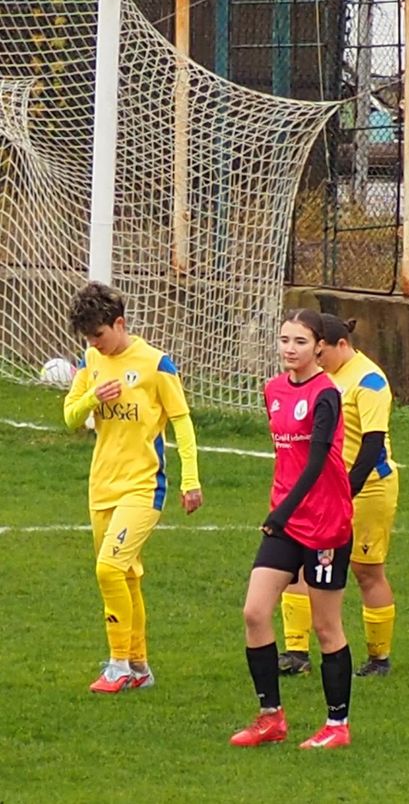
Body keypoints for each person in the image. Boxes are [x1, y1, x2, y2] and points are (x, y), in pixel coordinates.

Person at [63, 282, 203, 694]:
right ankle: (140, 667)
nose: (94, 343)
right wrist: (92, 398)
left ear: (120, 323)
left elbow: (182, 423)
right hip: (101, 486)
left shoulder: (156, 365)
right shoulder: (91, 359)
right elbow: (70, 417)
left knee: (108, 568)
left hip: (143, 487)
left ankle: (118, 664)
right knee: (125, 576)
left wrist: (191, 479)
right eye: (88, 338)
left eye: (99, 335)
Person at [230, 309, 355, 749]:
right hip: (286, 520)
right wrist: (281, 512)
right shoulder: (274, 389)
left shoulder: (327, 394)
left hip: (324, 522)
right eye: (284, 340)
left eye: (300, 341)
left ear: (319, 346)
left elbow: (317, 461)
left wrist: (281, 512)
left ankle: (337, 725)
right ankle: (271, 718)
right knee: (254, 612)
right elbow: (287, 458)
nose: (289, 348)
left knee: (326, 627)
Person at [278, 315, 400, 678]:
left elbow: (373, 445)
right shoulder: (319, 379)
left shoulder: (369, 380)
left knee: (366, 571)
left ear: (340, 345)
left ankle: (379, 658)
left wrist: (346, 491)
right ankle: (296, 653)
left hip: (366, 488)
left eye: (320, 351)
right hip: (319, 490)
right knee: (298, 562)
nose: (315, 358)